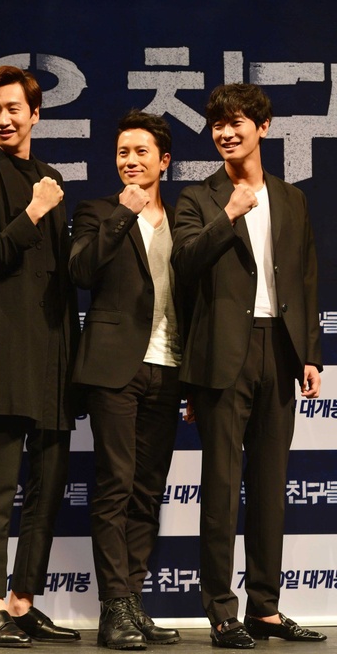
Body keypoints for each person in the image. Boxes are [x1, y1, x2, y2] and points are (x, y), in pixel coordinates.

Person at [171, 83, 327, 649]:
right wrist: (229, 215)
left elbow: (305, 278)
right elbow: (185, 263)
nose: (226, 133)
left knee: (269, 487)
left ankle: (266, 607)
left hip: (279, 351)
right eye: (217, 124)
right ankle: (221, 611)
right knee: (220, 487)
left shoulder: (292, 198)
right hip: (221, 354)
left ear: (263, 127)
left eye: (236, 122)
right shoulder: (198, 197)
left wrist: (310, 353)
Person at [0, 65, 82, 648]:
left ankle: (22, 601)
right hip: (8, 346)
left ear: (35, 114)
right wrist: (32, 213)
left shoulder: (50, 177)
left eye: (13, 109)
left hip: (55, 348)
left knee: (49, 483)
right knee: (0, 483)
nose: (3, 119)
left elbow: (62, 274)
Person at [69, 109, 181, 649]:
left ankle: (133, 602)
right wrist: (123, 215)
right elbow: (81, 272)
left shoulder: (184, 219)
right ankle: (113, 607)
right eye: (122, 153)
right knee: (115, 485)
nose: (130, 161)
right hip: (114, 367)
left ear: (164, 161)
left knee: (147, 491)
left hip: (170, 365)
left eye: (141, 152)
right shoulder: (97, 211)